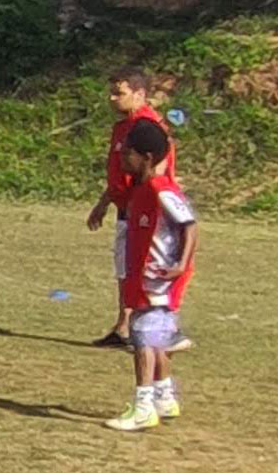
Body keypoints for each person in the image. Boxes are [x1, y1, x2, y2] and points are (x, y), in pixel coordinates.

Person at [102, 118, 196, 431]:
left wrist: (180, 265)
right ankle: (165, 398)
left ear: (147, 158)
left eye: (128, 153)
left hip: (158, 280)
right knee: (154, 340)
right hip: (145, 278)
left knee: (142, 338)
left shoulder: (160, 190)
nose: (122, 158)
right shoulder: (141, 190)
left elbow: (190, 226)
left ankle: (143, 406)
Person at [84, 68, 175, 349]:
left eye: (119, 93)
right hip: (126, 205)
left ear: (139, 94)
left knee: (141, 268)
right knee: (125, 267)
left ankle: (148, 329)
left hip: (142, 209)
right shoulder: (124, 126)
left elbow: (158, 166)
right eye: (111, 93)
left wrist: (147, 201)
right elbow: (119, 173)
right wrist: (104, 203)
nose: (112, 99)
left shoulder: (146, 127)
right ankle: (124, 325)